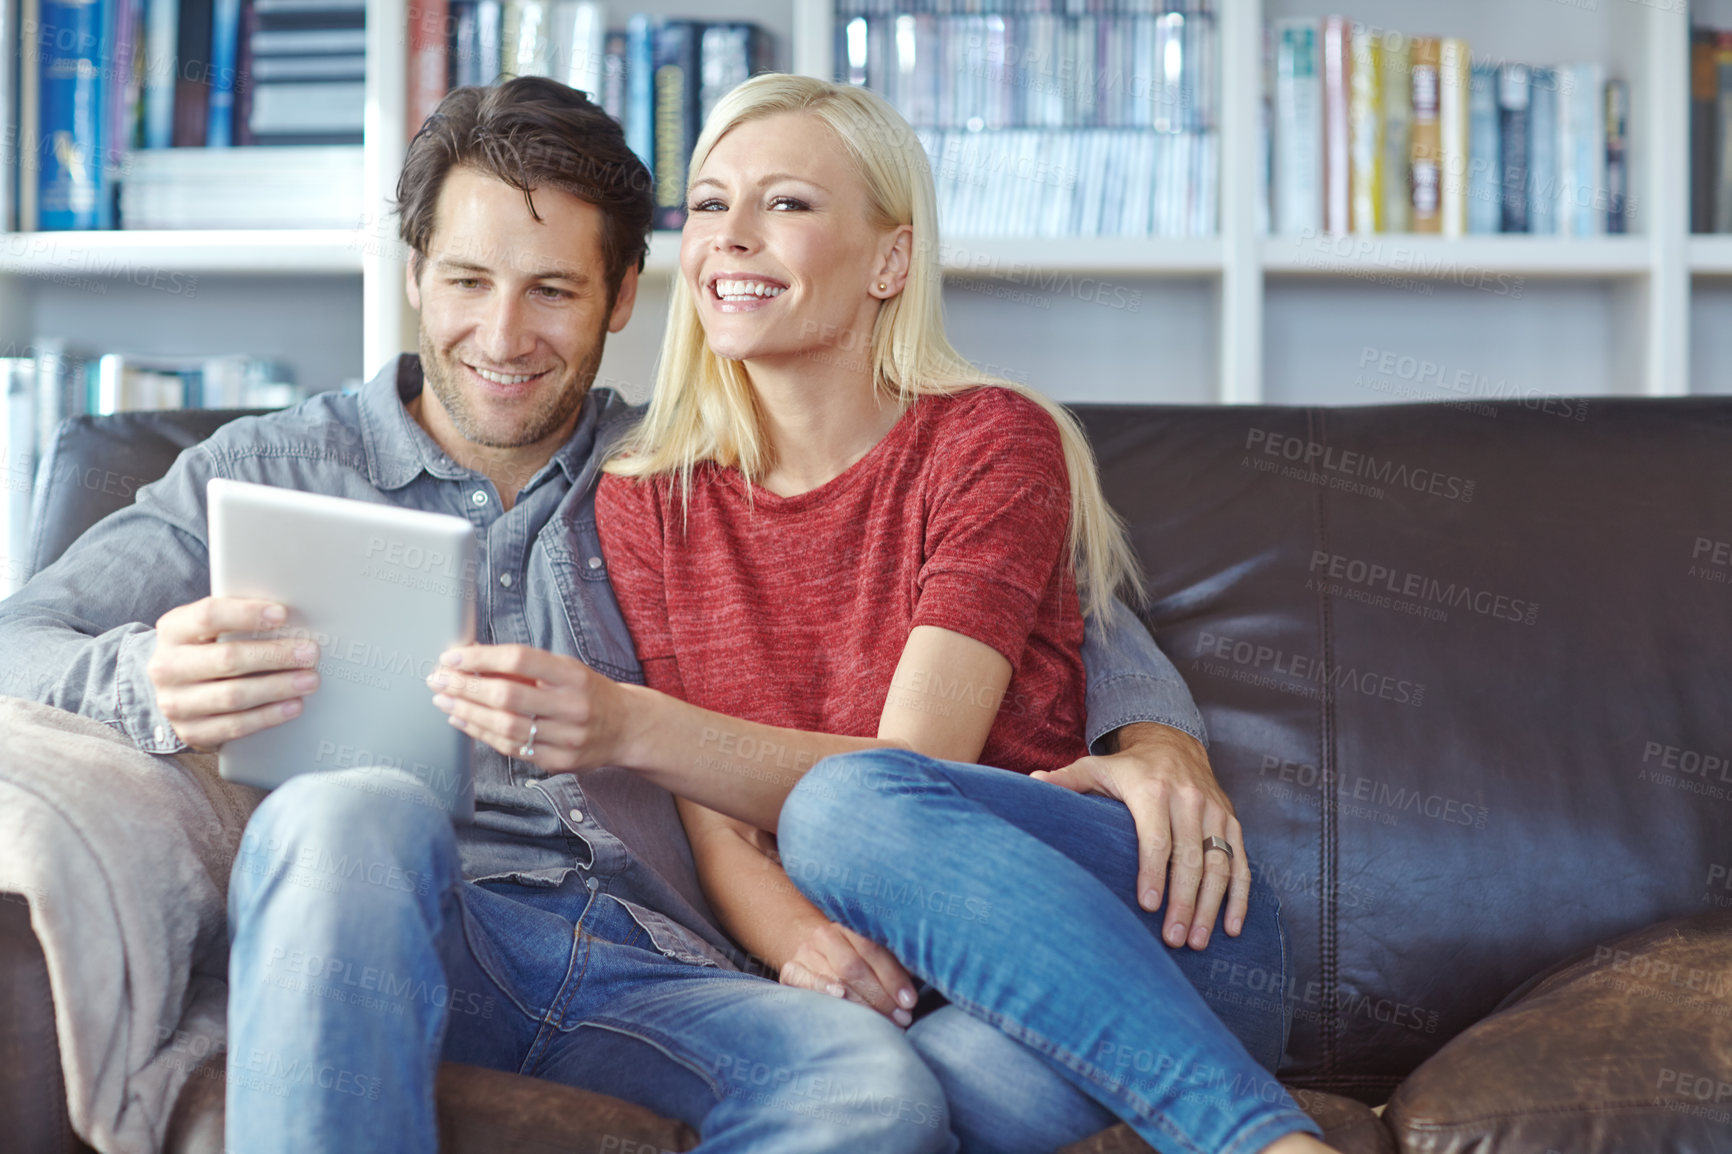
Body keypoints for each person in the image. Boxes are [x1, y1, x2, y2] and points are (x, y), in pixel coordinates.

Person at [0, 77, 1240, 1153]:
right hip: (398, 915)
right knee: (354, 799)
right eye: (467, 280)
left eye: (550, 290)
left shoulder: (682, 468)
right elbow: (20, 636)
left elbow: (1044, 591)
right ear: (414, 274)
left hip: (653, 950)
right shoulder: (261, 466)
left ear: (623, 298)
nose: (501, 334)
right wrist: (141, 678)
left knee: (870, 1091)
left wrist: (1156, 738)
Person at [426, 76, 1332, 1154]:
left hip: (1156, 932)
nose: (734, 237)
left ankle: (1259, 1140)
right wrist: (806, 947)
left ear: (891, 260)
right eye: (711, 205)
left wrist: (628, 725)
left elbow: (906, 773)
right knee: (912, 1086)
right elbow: (708, 821)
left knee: (846, 804)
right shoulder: (645, 496)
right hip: (940, 1008)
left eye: (788, 204)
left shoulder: (989, 441)